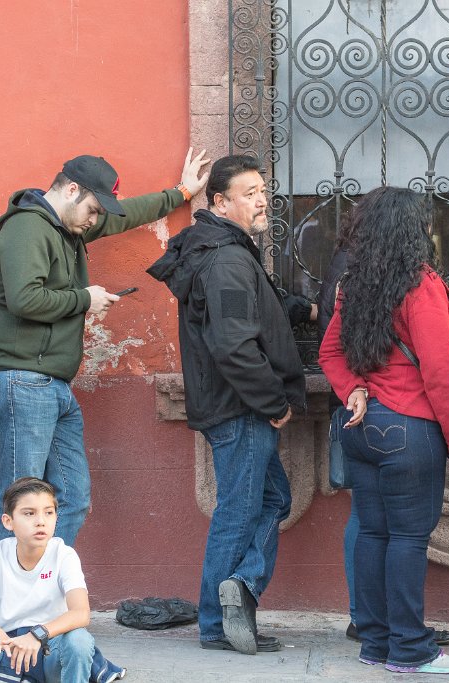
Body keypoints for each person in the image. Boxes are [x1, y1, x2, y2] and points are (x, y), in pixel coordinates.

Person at [0, 149, 209, 546]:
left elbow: (126, 214)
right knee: (23, 505)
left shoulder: (69, 225)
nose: (96, 220)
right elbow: (24, 300)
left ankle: (41, 591)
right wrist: (85, 298)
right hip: (20, 381)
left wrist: (182, 192)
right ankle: (3, 605)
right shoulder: (28, 228)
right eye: (93, 209)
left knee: (72, 497)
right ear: (70, 190)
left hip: (53, 385)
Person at [147, 155, 307, 655]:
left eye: (263, 189)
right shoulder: (228, 259)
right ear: (219, 202)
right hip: (242, 408)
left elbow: (254, 314)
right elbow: (235, 344)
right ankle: (221, 617)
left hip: (235, 405)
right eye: (249, 192)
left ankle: (237, 591)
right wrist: (273, 401)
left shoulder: (225, 252)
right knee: (240, 511)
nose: (262, 200)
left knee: (267, 501)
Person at [318, 187, 449, 674]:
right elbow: (439, 370)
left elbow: (330, 353)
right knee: (408, 539)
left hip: (361, 427)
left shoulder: (354, 283)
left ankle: (376, 642)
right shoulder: (420, 284)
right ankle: (410, 648)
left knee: (373, 535)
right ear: (415, 231)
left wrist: (353, 389)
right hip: (409, 427)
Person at [0, 477, 95, 683]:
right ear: (8, 521)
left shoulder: (65, 555)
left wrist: (37, 635)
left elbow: (81, 613)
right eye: (29, 513)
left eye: (49, 512)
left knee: (79, 640)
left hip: (47, 651)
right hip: (5, 650)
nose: (41, 521)